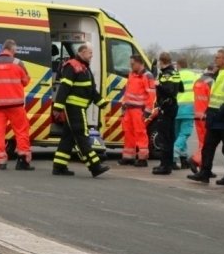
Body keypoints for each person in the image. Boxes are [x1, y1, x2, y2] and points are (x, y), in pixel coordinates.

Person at [51, 43, 110, 177]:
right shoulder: (72, 66)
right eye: (90, 53)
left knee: (68, 137)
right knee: (82, 135)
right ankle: (95, 166)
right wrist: (58, 107)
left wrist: (102, 103)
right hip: (74, 108)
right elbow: (64, 87)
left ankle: (59, 167)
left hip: (80, 108)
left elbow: (90, 90)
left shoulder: (84, 68)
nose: (91, 56)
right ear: (82, 53)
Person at [188, 49, 224, 185]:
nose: (215, 59)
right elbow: (214, 95)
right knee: (208, 146)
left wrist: (222, 110)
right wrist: (209, 111)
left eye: (217, 57)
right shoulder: (218, 73)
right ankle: (205, 173)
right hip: (214, 115)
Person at [0, 39, 33, 170]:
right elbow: (25, 81)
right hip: (15, 104)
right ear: (12, 50)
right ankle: (23, 159)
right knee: (21, 130)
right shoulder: (18, 63)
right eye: (15, 51)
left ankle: (1, 161)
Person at [117, 55, 154, 167]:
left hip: (139, 109)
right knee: (128, 132)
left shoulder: (147, 76)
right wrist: (123, 105)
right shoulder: (132, 74)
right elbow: (127, 91)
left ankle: (143, 158)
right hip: (129, 109)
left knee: (140, 133)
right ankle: (128, 156)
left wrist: (148, 110)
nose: (131, 65)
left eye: (132, 64)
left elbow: (151, 95)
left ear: (139, 63)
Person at [150, 52, 183, 175]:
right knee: (169, 137)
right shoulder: (175, 72)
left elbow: (169, 90)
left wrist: (159, 85)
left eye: (159, 61)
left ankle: (164, 166)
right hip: (172, 106)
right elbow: (181, 88)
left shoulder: (167, 73)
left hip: (166, 107)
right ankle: (168, 164)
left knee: (164, 138)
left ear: (162, 61)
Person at [188, 64, 216, 174]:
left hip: (197, 115)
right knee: (208, 143)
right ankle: (195, 160)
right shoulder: (211, 82)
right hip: (206, 116)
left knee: (202, 142)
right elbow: (213, 98)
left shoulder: (198, 81)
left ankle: (204, 167)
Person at [173, 58, 198, 170]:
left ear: (178, 65)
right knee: (185, 134)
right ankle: (174, 152)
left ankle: (183, 157)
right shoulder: (194, 76)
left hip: (176, 108)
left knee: (178, 134)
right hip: (188, 109)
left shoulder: (175, 75)